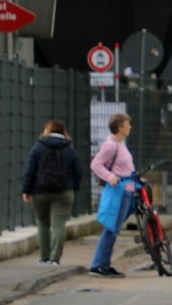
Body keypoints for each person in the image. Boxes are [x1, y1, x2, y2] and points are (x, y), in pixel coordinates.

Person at [22, 119, 83, 265]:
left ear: (48, 131)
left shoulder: (38, 147)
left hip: (40, 191)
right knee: (59, 225)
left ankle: (44, 258)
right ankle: (55, 259)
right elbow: (78, 171)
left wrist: (26, 190)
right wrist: (73, 186)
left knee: (42, 223)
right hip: (64, 192)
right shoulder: (70, 149)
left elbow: (30, 171)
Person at [88, 112, 136, 278]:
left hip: (127, 190)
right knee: (111, 228)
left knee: (114, 229)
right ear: (120, 127)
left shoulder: (120, 143)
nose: (130, 127)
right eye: (127, 124)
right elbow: (95, 164)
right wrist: (110, 177)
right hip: (119, 191)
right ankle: (99, 265)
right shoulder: (111, 145)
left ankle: (104, 263)